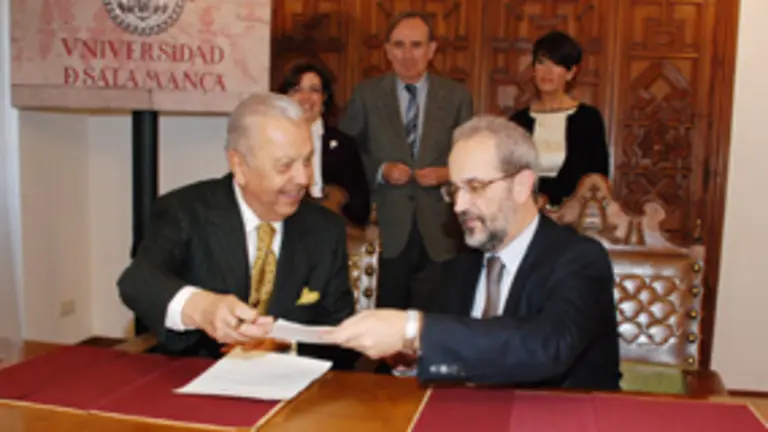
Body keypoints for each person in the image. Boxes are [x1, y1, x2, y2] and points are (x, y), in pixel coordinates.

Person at [324, 115, 621, 390]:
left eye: (475, 187)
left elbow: (548, 346)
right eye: (454, 190)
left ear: (521, 185)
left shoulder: (579, 259)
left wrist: (415, 330)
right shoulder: (457, 267)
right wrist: (409, 361)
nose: (458, 205)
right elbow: (457, 352)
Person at [118, 93, 357, 369]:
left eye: (306, 161)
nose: (303, 178)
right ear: (239, 165)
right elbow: (137, 280)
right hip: (196, 381)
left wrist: (285, 345)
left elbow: (340, 335)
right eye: (285, 166)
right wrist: (202, 308)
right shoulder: (185, 211)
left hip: (291, 389)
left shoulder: (325, 230)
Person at [339, 11, 473, 310]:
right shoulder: (366, 94)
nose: (408, 54)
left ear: (432, 50)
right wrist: (380, 170)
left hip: (440, 229)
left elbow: (472, 157)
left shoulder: (456, 96)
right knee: (389, 321)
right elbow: (347, 154)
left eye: (416, 45)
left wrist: (446, 173)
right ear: (387, 50)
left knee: (434, 320)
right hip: (385, 226)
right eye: (399, 45)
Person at [509, 30, 609, 207]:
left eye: (556, 64)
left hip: (573, 216)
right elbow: (509, 172)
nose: (547, 72)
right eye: (541, 63)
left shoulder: (588, 119)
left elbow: (596, 176)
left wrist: (548, 197)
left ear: (571, 72)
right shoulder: (518, 121)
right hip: (525, 211)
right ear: (533, 69)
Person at [277, 61, 370, 227]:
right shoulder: (272, 141)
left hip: (330, 229)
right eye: (297, 90)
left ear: (324, 98)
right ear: (285, 97)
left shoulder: (344, 145)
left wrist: (337, 203)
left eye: (314, 90)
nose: (306, 97)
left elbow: (362, 207)